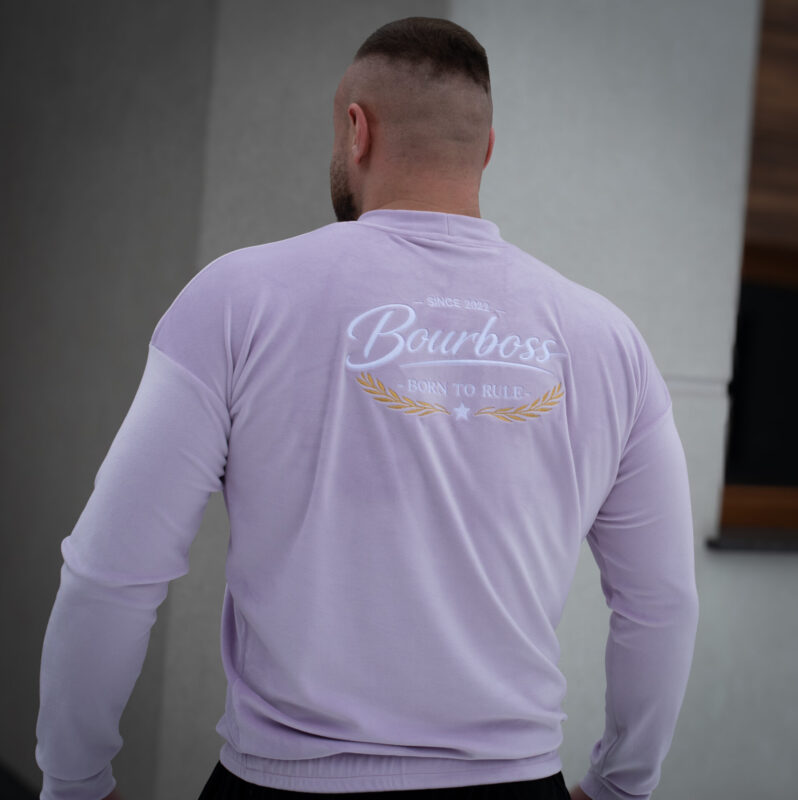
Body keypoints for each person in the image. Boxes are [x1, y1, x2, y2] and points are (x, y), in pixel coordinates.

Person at [34, 16, 700, 800]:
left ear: (357, 130)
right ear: (486, 150)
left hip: (283, 787)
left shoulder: (238, 299)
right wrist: (621, 785)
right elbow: (661, 604)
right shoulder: (609, 342)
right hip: (513, 782)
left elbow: (112, 571)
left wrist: (74, 778)